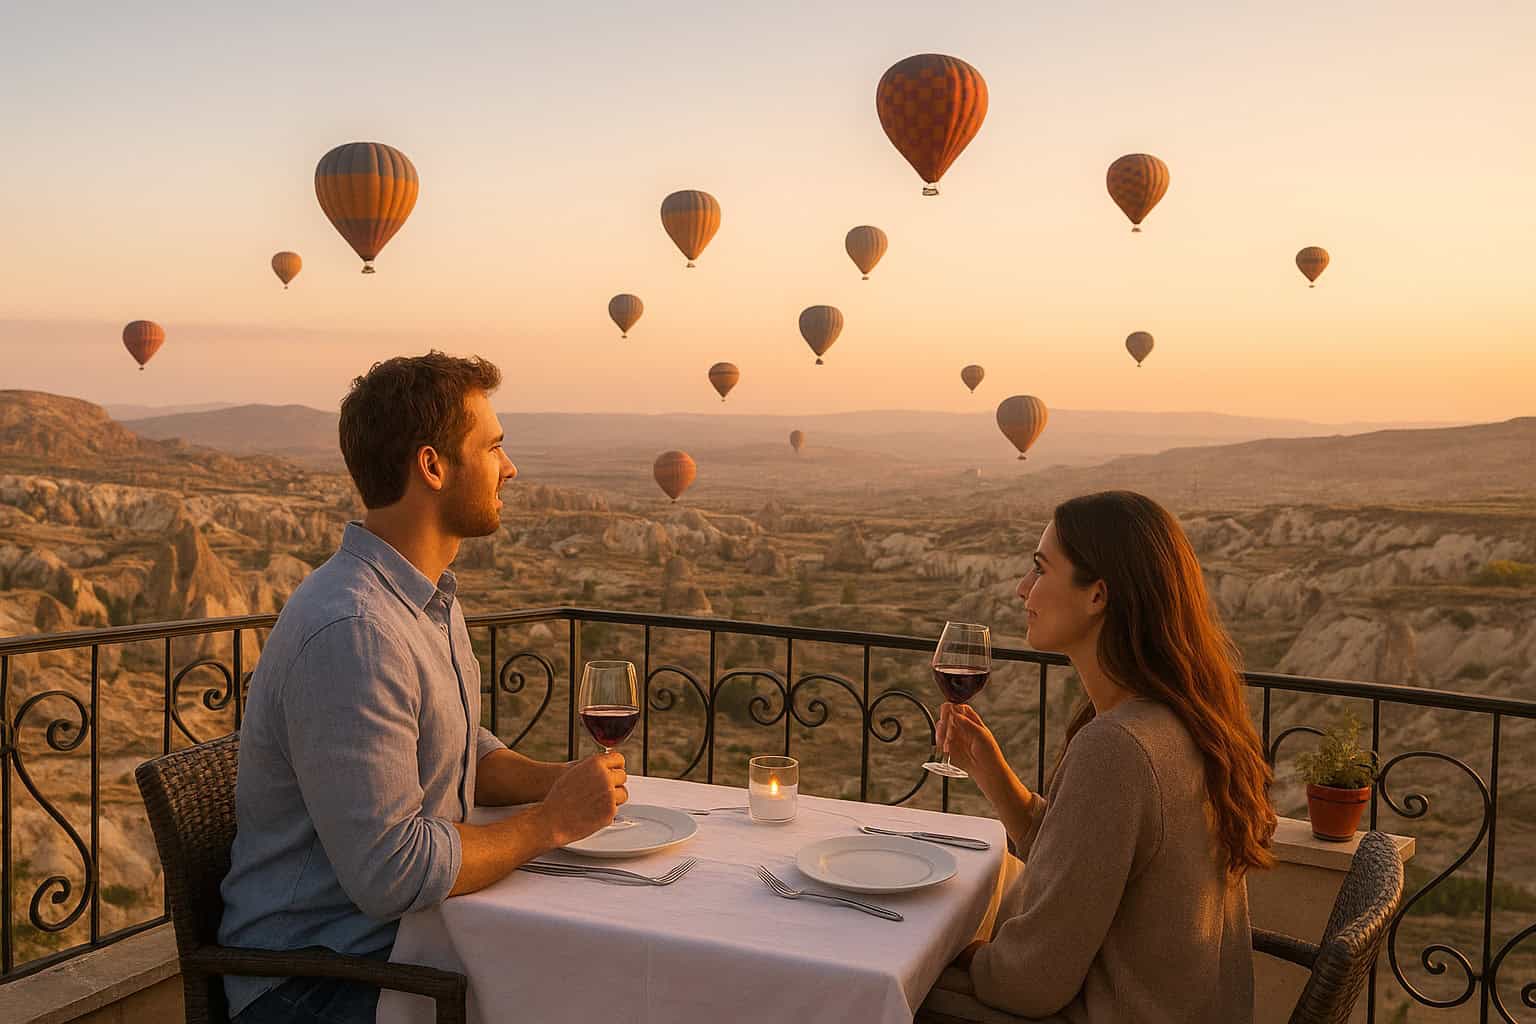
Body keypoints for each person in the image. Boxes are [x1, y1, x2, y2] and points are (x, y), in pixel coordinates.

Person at [219, 352, 628, 1024]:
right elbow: (393, 873)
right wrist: (552, 823)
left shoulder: (423, 597)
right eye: (493, 447)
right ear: (433, 467)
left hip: (408, 947)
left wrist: (561, 782)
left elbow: (461, 748)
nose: (511, 468)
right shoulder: (355, 630)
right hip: (313, 984)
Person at [934, 490, 1275, 1023]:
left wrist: (953, 950)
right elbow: (1087, 862)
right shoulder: (1179, 719)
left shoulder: (1117, 746)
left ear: (1098, 596)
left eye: (1040, 570)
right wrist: (994, 774)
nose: (1024, 588)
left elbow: (1030, 983)